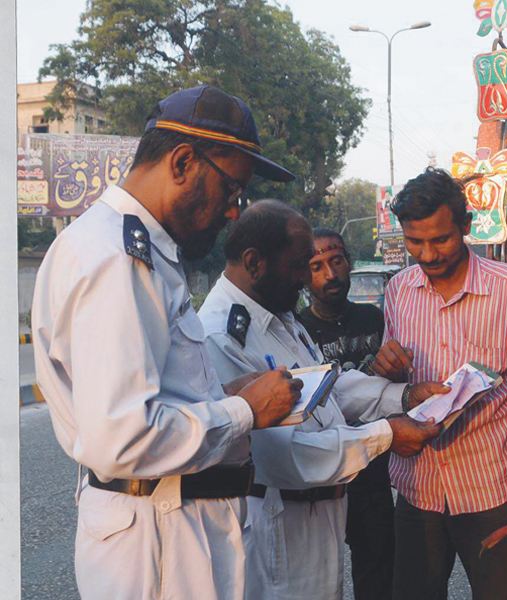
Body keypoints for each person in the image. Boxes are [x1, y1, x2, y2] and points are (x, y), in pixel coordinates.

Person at [31, 85, 304, 600]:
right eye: (231, 191)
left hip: (173, 527)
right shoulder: (115, 259)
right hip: (159, 543)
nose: (232, 212)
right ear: (182, 162)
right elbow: (126, 435)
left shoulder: (140, 249)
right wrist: (243, 410)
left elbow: (151, 392)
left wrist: (221, 395)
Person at [196, 200, 446, 600]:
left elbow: (326, 387)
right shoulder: (222, 336)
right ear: (254, 261)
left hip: (318, 515)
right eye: (299, 265)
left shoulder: (277, 315)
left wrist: (404, 395)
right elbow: (279, 456)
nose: (305, 278)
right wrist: (384, 436)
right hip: (279, 522)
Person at [371, 168, 507, 600]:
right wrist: (384, 367)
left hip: (488, 488)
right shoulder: (399, 290)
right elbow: (391, 386)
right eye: (414, 242)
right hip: (416, 487)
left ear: (466, 227)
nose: (428, 253)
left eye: (440, 239)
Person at [299, 228, 395, 600]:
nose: (329, 274)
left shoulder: (373, 319)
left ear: (349, 264)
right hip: (324, 473)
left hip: (372, 469)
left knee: (378, 568)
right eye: (316, 265)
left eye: (336, 261)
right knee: (320, 575)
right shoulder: (298, 330)